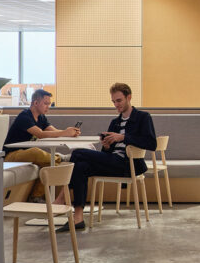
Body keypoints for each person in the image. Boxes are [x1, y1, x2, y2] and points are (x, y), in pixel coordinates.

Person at [60, 83, 157, 232]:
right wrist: (106, 145)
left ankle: (62, 197)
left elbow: (151, 143)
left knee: (78, 153)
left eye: (119, 100)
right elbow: (107, 153)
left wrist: (123, 137)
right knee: (81, 166)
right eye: (113, 101)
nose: (116, 105)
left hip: (128, 164)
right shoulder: (115, 122)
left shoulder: (143, 117)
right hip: (114, 162)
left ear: (129, 97)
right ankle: (78, 217)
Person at [3, 89, 80, 197]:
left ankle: (36, 197)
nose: (48, 106)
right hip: (11, 155)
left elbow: (54, 132)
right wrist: (65, 132)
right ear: (35, 103)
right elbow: (40, 134)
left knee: (51, 166)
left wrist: (68, 132)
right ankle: (60, 157)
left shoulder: (41, 117)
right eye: (46, 103)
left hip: (27, 154)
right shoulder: (24, 116)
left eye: (49, 104)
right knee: (35, 152)